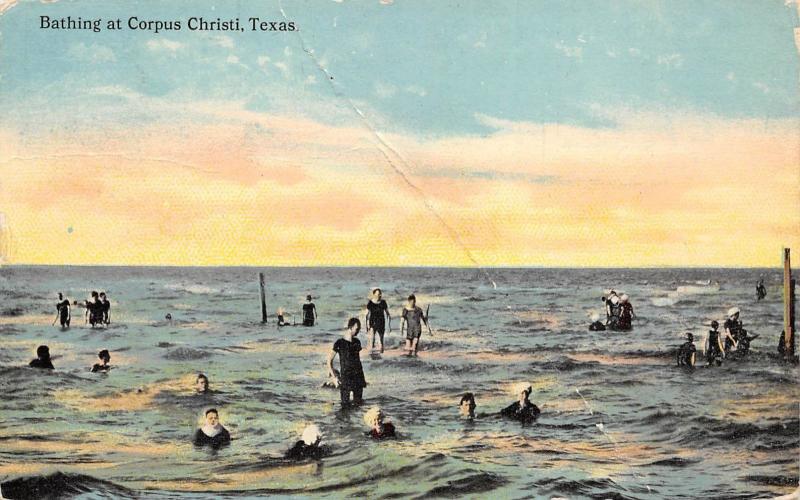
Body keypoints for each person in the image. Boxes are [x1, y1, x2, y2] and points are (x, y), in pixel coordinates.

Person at [327, 318, 367, 407]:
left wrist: (362, 378)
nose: (358, 331)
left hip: (358, 377)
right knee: (345, 407)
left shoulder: (357, 342)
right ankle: (345, 421)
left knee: (358, 405)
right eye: (357, 329)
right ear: (350, 327)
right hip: (345, 377)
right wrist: (334, 377)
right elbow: (329, 361)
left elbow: (358, 361)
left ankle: (356, 421)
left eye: (359, 329)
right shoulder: (339, 343)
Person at [365, 288, 391, 353]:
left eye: (380, 294)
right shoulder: (370, 303)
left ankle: (382, 353)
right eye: (377, 294)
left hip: (381, 322)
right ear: (373, 294)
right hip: (372, 322)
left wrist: (389, 326)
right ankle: (372, 352)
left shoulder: (383, 302)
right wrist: (367, 325)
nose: (379, 296)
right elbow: (367, 315)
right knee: (372, 339)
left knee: (381, 340)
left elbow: (388, 314)